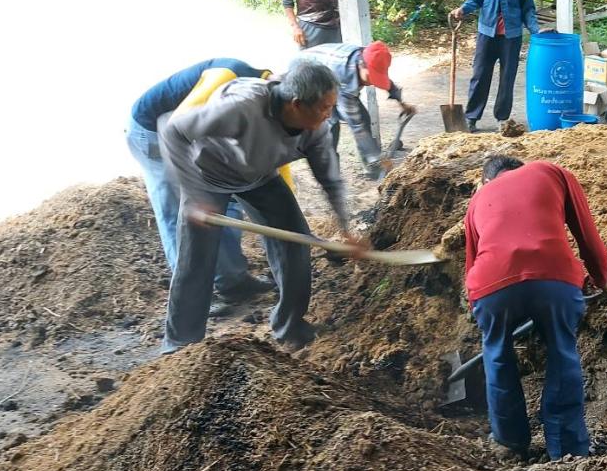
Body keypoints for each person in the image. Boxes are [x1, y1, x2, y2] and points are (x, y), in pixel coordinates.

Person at [158, 59, 365, 353]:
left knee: (296, 243)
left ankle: (289, 326)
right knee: (196, 260)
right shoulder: (243, 107)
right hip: (209, 177)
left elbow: (330, 181)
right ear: (296, 105)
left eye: (332, 106)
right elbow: (173, 130)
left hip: (260, 177)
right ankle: (179, 345)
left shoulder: (316, 130)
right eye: (323, 107)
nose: (329, 114)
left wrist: (346, 231)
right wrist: (193, 196)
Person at [464, 155, 607, 462]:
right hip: (554, 277)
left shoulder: (477, 200)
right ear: (521, 168)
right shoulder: (550, 171)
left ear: (486, 181)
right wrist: (603, 276)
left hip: (491, 287)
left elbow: (472, 263)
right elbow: (585, 233)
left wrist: (480, 310)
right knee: (562, 351)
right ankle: (568, 449)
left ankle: (508, 440)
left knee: (497, 353)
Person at [126, 58, 276, 307]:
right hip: (154, 131)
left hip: (190, 131)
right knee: (181, 215)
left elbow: (277, 170)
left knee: (224, 205)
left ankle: (232, 281)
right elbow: (174, 129)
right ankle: (191, 299)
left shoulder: (270, 102)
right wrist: (194, 194)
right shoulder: (231, 80)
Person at [449, 0, 540, 132]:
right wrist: (463, 9)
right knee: (480, 75)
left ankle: (502, 118)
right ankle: (471, 117)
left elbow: (527, 8)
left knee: (507, 78)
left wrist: (536, 31)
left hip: (511, 36)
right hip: (487, 33)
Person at [299, 40, 417, 178]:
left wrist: (401, 102)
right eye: (371, 76)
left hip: (330, 72)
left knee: (364, 118)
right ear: (361, 64)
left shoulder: (369, 58)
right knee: (329, 129)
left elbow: (386, 81)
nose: (373, 82)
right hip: (308, 79)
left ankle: (373, 169)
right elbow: (357, 127)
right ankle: (331, 178)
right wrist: (378, 157)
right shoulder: (344, 75)